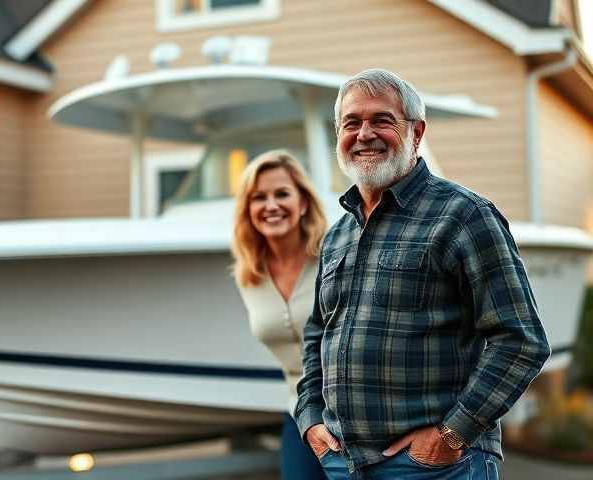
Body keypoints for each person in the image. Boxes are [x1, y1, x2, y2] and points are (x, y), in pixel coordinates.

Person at [295, 68, 551, 479]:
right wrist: (310, 417)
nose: (364, 134)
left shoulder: (464, 216)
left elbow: (522, 339)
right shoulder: (338, 232)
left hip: (435, 467)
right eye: (351, 122)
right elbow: (316, 334)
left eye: (382, 120)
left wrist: (452, 434)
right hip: (344, 463)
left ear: (416, 132)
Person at [232, 150, 328, 480]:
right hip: (298, 410)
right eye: (259, 198)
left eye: (282, 194)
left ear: (303, 202)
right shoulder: (248, 277)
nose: (271, 205)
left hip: (355, 412)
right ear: (248, 210)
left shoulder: (332, 257)